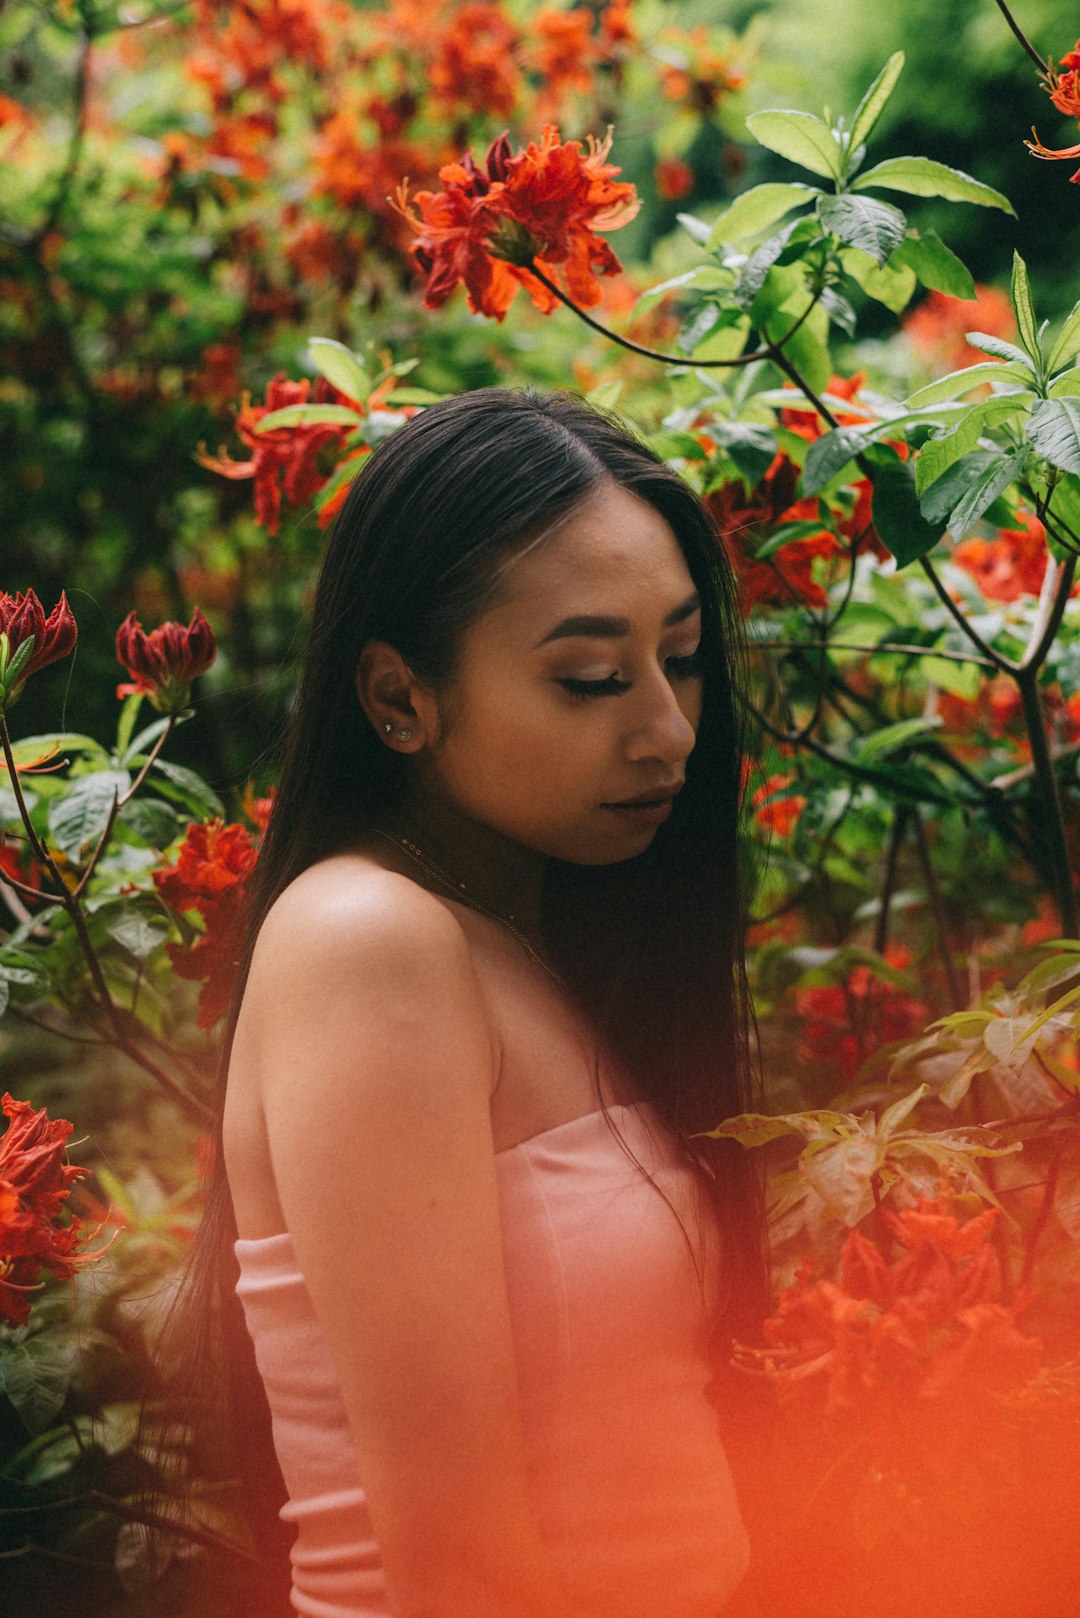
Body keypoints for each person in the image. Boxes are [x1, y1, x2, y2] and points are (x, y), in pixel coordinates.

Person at [203, 387, 766, 1618]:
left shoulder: (528, 935)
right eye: (589, 678)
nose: (668, 729)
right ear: (400, 697)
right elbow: (457, 1567)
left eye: (678, 659)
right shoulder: (370, 941)